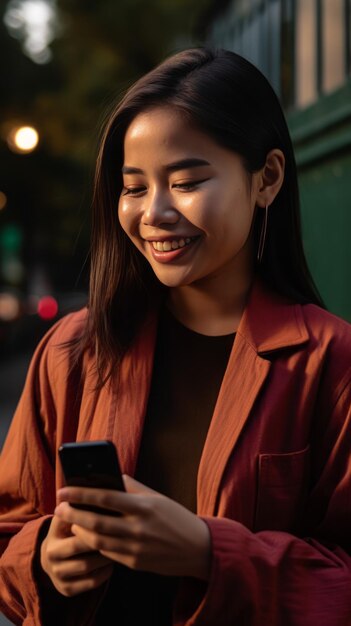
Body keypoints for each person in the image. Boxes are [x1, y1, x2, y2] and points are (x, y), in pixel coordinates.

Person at [0, 46, 351, 626]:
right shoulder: (72, 352)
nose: (154, 212)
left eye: (186, 180)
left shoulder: (330, 363)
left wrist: (208, 552)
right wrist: (43, 561)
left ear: (267, 179)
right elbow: (10, 530)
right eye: (133, 187)